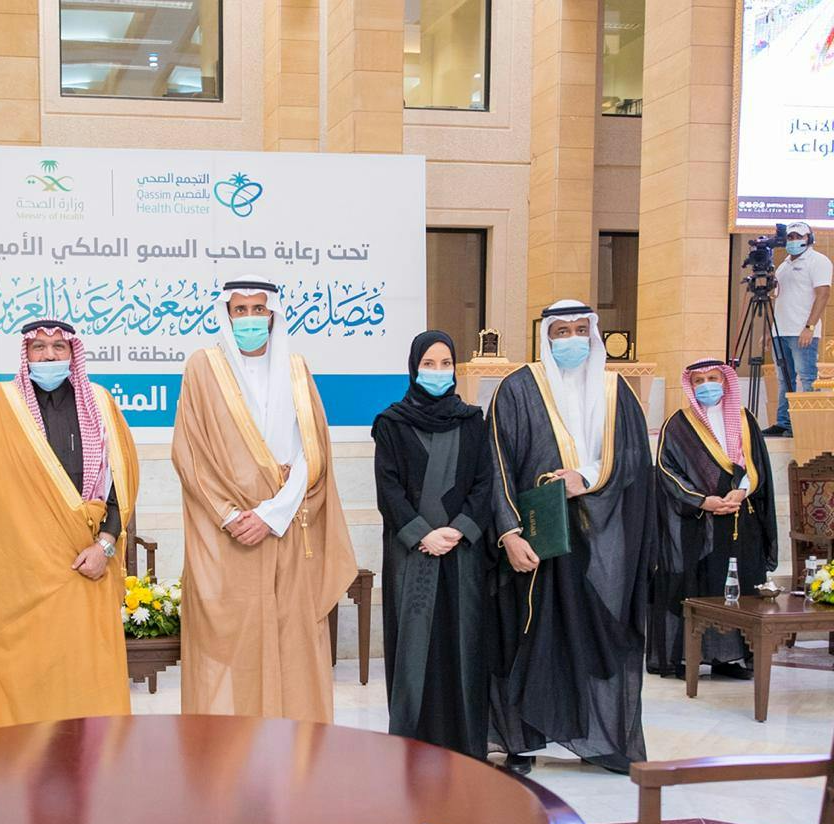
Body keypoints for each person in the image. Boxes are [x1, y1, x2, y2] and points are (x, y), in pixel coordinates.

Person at [172, 275, 356, 723]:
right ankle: (230, 751)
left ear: (272, 315)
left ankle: (294, 750)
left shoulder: (296, 368)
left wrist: (273, 514)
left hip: (287, 528)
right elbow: (190, 451)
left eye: (259, 309)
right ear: (226, 314)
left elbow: (312, 453)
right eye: (240, 310)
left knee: (294, 642)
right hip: (229, 535)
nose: (250, 319)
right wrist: (231, 514)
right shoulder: (203, 368)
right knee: (232, 646)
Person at [487, 300, 653, 774]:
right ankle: (521, 741)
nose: (572, 339)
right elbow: (496, 464)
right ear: (546, 336)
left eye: (582, 329)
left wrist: (588, 477)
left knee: (596, 637)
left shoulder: (617, 391)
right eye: (562, 331)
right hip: (536, 539)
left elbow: (635, 460)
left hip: (601, 540)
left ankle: (600, 740)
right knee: (530, 636)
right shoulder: (518, 388)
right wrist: (508, 532)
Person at [0, 318, 138, 731]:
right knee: (21, 679)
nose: (49, 356)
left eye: (58, 348)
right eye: (39, 347)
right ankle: (18, 762)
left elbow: (122, 485)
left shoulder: (100, 404)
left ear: (72, 354)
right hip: (15, 574)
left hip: (84, 565)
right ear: (26, 354)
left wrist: (106, 545)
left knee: (84, 677)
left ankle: (86, 763)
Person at [373, 331, 493, 759]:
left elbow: (484, 482)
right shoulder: (391, 423)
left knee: (463, 645)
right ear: (413, 367)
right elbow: (388, 489)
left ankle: (466, 747)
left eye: (445, 364)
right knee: (414, 647)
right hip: (411, 553)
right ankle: (412, 744)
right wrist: (422, 533)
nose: (438, 372)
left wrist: (459, 530)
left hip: (463, 554)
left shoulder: (472, 420)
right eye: (429, 364)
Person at [649, 360, 776, 679]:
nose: (707, 385)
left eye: (713, 378)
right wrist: (702, 500)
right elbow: (666, 470)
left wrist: (741, 492)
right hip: (697, 523)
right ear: (691, 386)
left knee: (740, 587)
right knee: (701, 588)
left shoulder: (745, 419)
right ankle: (688, 658)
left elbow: (758, 465)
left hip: (740, 517)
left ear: (725, 381)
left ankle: (731, 658)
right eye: (699, 380)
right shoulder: (678, 424)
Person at [764, 222, 831, 437]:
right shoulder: (783, 265)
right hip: (780, 331)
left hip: (802, 332)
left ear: (809, 238)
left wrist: (809, 327)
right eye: (790, 237)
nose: (793, 241)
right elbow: (779, 299)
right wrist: (770, 330)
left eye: (798, 236)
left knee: (807, 378)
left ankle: (808, 424)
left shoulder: (818, 261)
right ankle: (784, 423)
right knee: (784, 379)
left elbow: (823, 294)